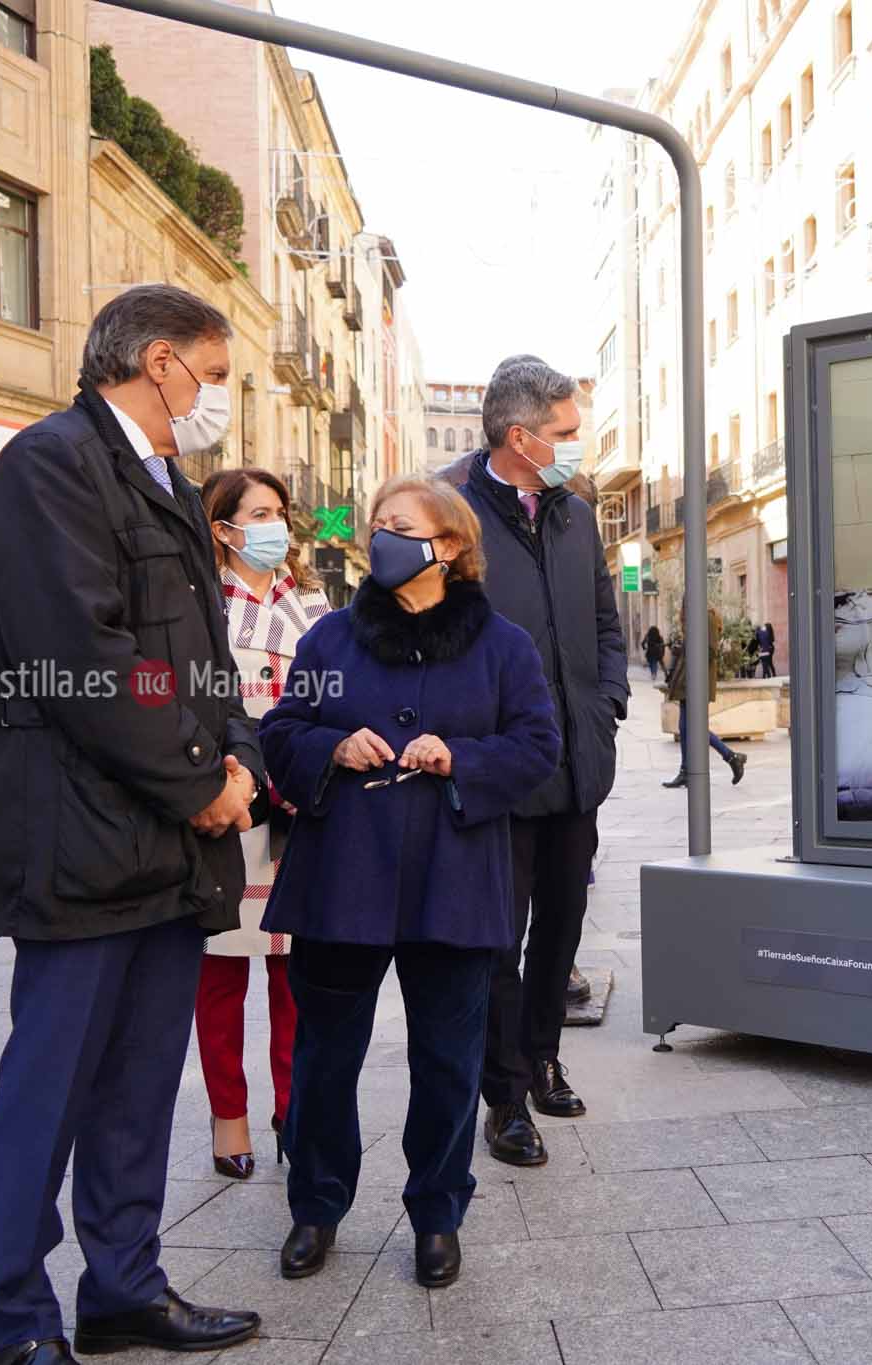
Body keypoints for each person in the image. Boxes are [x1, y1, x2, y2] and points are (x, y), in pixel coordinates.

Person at [0, 286, 266, 1365]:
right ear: (160, 361)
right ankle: (16, 1322)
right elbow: (86, 663)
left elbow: (202, 659)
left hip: (165, 851)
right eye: (216, 374)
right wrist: (198, 781)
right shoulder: (49, 465)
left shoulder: (163, 481)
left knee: (137, 1092)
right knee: (46, 1099)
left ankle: (123, 1288)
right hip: (77, 844)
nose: (219, 397)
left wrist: (241, 758)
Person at [259, 475, 558, 1285]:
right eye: (378, 524)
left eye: (402, 525)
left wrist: (461, 756)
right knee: (324, 1057)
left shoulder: (505, 647)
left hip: (453, 882)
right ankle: (315, 1207)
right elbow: (281, 731)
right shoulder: (329, 640)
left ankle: (437, 1213)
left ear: (450, 545)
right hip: (342, 879)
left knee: (449, 1060)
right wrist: (330, 748)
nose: (382, 536)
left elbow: (538, 747)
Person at [454, 356, 627, 1166]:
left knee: (560, 926)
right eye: (563, 433)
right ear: (520, 437)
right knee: (499, 937)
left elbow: (604, 622)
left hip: (578, 761)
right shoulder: (455, 517)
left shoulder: (576, 515)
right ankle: (506, 1092)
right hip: (502, 773)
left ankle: (546, 1053)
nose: (575, 445)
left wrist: (608, 704)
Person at [196, 468, 331, 1179]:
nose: (275, 524)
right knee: (219, 975)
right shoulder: (197, 605)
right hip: (230, 800)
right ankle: (229, 1117)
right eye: (258, 512)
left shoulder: (311, 599)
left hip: (298, 802)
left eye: (280, 511)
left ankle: (293, 1109)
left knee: (292, 971)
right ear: (222, 528)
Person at [663, 621, 746, 788]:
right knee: (685, 727)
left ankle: (732, 757)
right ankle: (686, 771)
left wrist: (689, 653)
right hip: (686, 682)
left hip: (694, 682)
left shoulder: (706, 617)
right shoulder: (694, 614)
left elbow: (710, 651)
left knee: (695, 728)